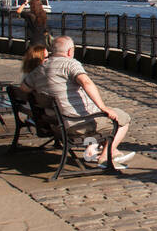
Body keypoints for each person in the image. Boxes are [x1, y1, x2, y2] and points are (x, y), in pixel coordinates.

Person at [24, 36, 134, 170]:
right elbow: (86, 82)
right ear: (70, 51)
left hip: (54, 123)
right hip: (75, 124)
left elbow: (23, 89)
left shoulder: (39, 69)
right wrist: (103, 107)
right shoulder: (70, 63)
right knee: (123, 118)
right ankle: (106, 156)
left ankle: (110, 151)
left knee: (109, 113)